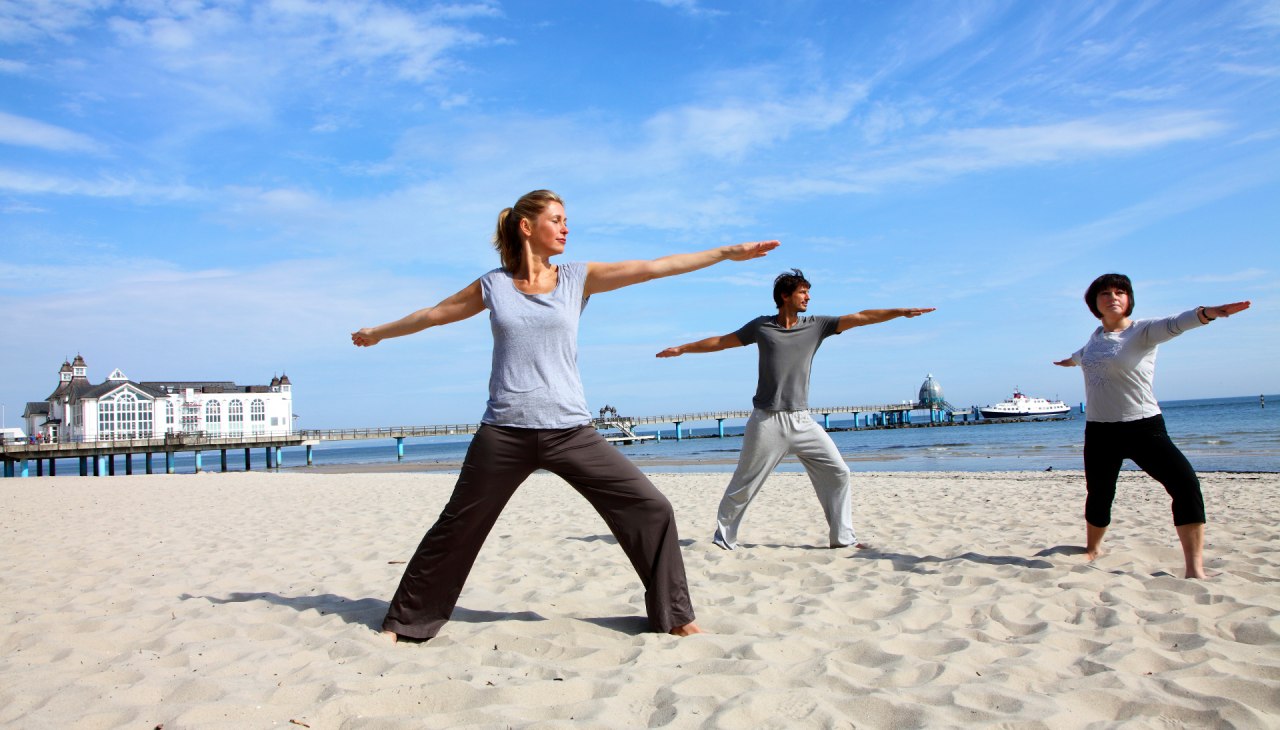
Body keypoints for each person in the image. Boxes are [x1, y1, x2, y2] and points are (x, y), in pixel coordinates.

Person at [352, 189, 779, 641]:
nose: (565, 228)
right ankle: (405, 621)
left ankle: (674, 616)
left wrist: (726, 253)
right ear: (526, 226)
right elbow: (435, 314)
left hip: (570, 431)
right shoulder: (493, 285)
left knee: (651, 508)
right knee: (457, 525)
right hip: (504, 431)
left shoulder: (577, 277)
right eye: (556, 219)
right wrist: (379, 333)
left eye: (565, 220)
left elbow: (654, 268)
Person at [656, 268, 934, 550]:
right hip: (766, 421)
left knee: (838, 472)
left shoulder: (817, 325)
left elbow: (861, 317)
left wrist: (899, 311)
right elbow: (721, 342)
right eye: (803, 292)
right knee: (745, 481)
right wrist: (683, 348)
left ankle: (843, 539)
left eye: (808, 292)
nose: (808, 298)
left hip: (802, 421)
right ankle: (724, 538)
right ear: (784, 296)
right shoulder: (761, 327)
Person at [1053, 273, 1250, 579]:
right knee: (1100, 493)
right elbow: (1082, 357)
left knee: (1185, 485)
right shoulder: (1094, 340)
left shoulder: (1143, 331)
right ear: (1095, 303)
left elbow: (1176, 322)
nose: (1113, 297)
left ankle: (1194, 568)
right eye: (1105, 293)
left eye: (1120, 292)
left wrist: (1207, 313)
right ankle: (1092, 549)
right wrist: (1069, 361)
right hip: (1100, 431)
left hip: (1143, 428)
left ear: (1129, 300)